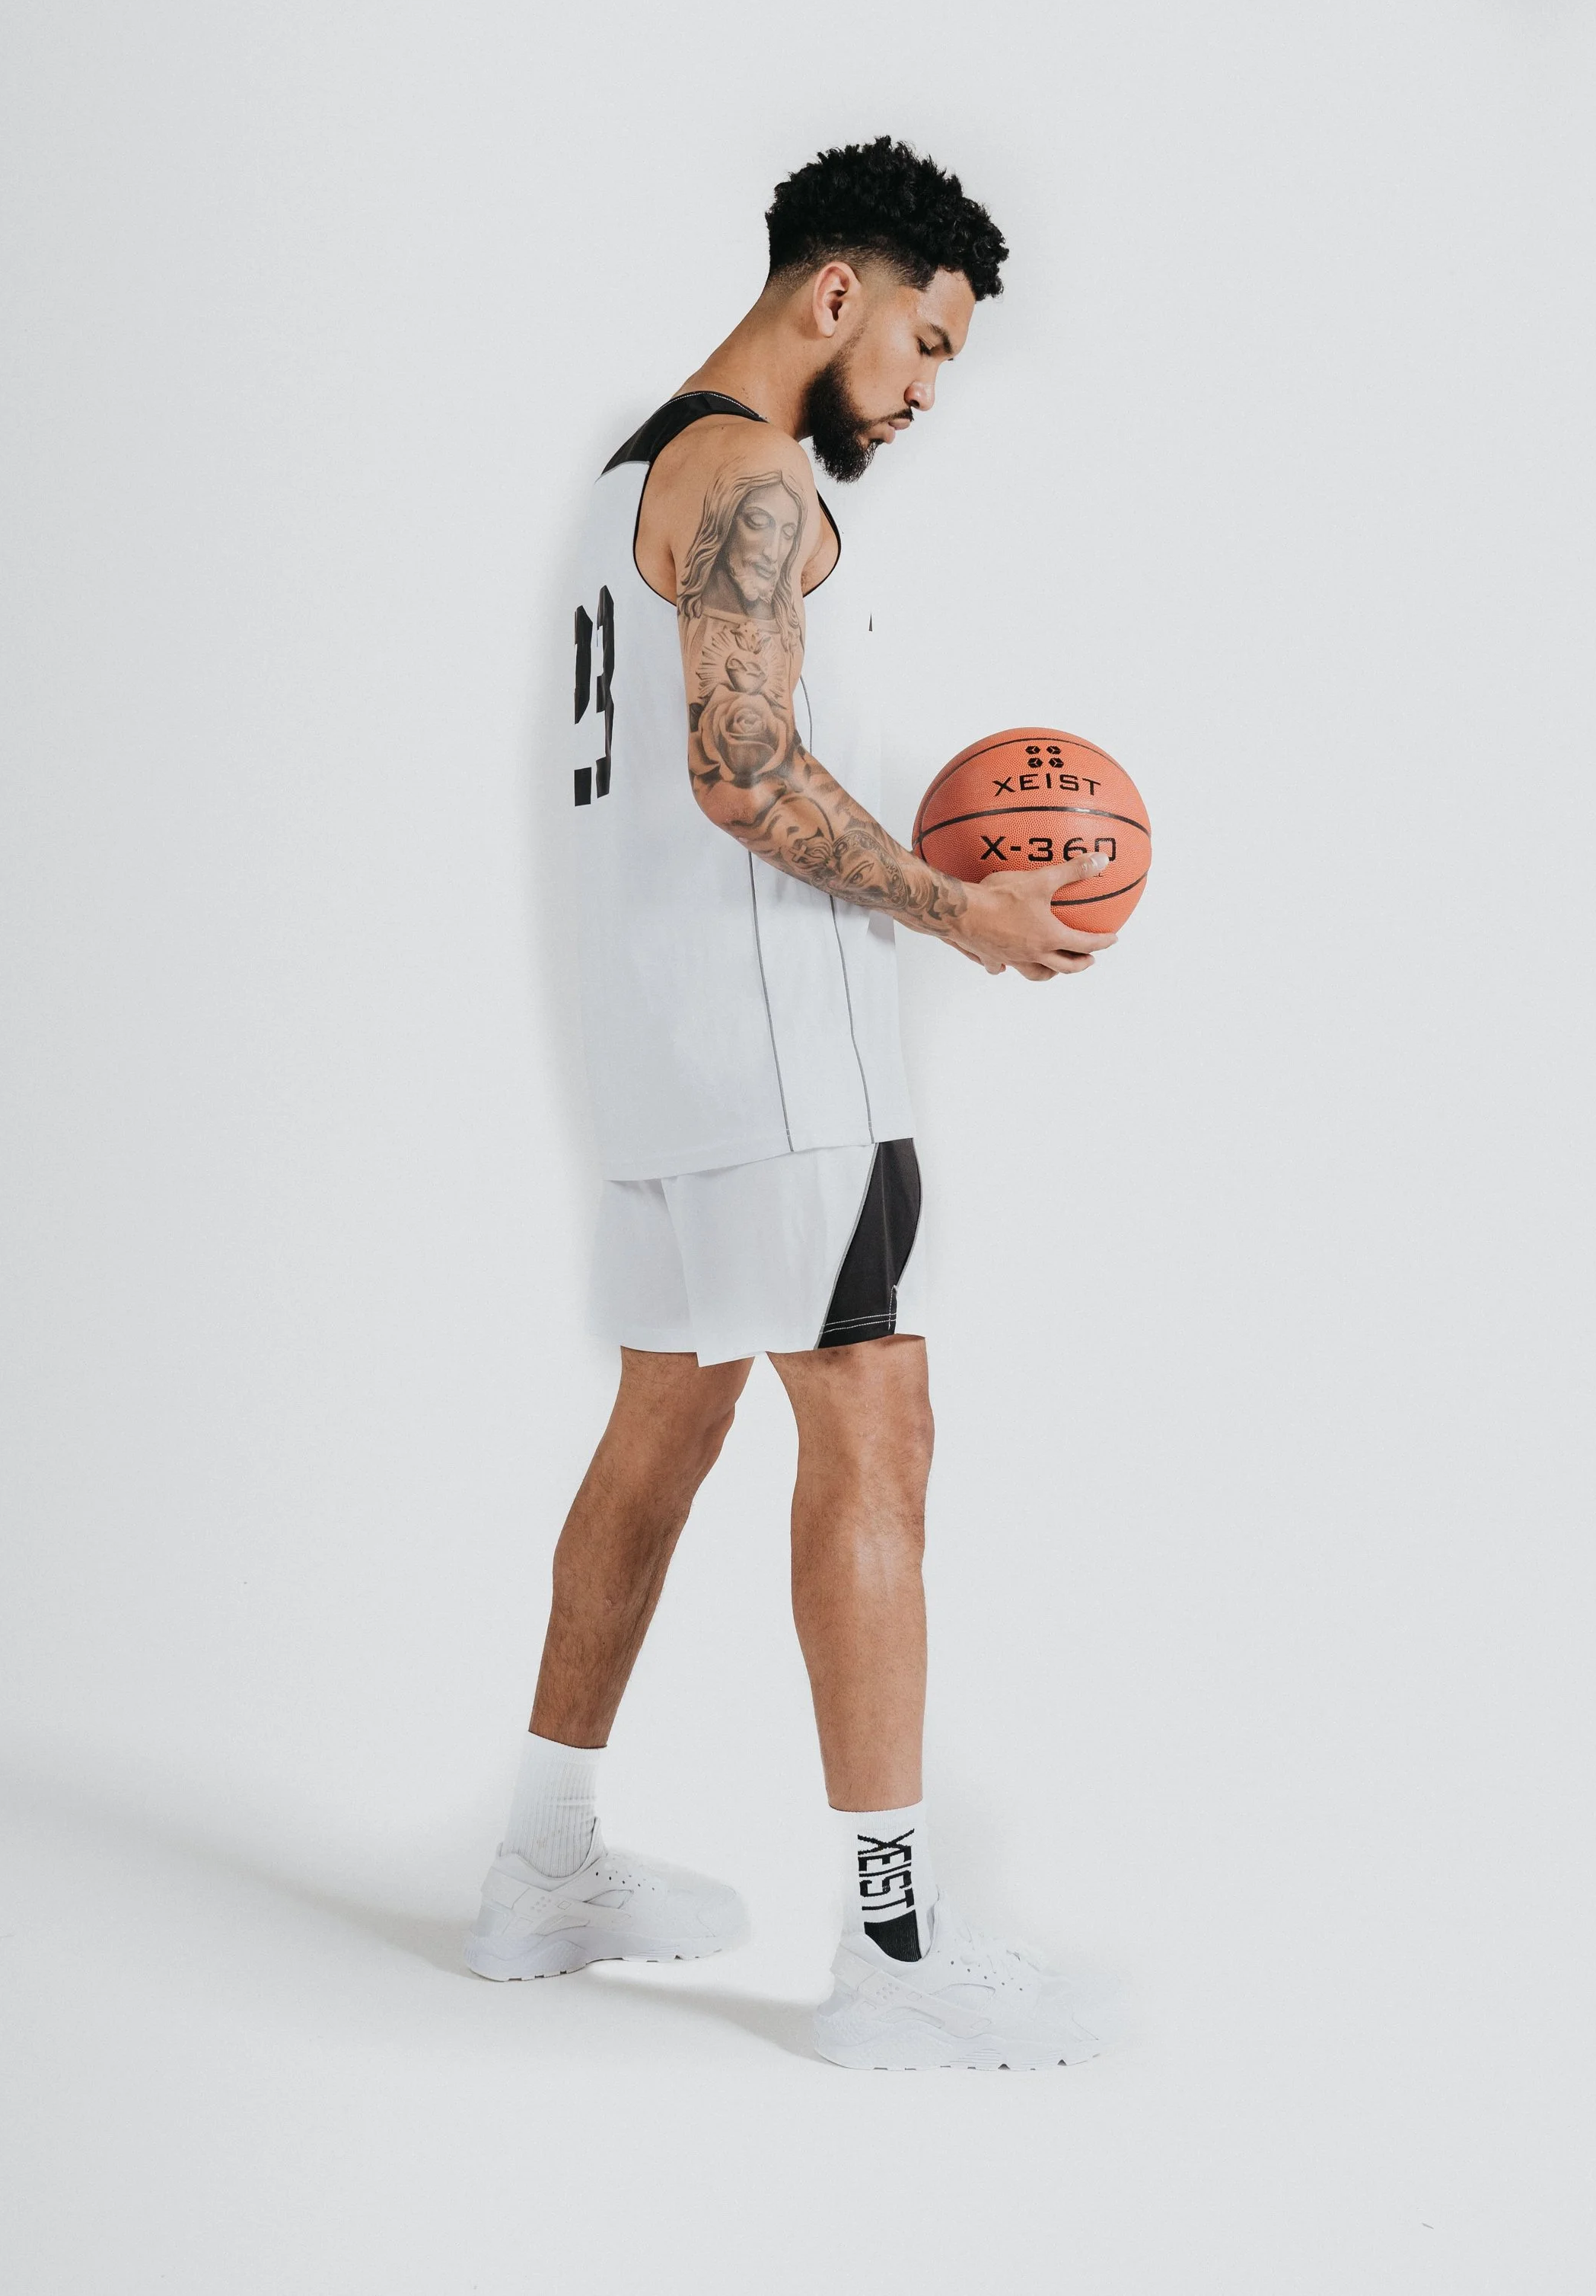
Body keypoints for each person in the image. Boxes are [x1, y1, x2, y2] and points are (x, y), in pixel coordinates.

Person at [466, 139, 1112, 2071]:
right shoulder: (752, 474)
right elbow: (741, 773)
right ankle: (892, 1955)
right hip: (776, 1060)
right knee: (875, 1433)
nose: (924, 390)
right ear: (835, 292)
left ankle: (540, 1867)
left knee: (661, 1429)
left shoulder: (626, 471)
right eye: (922, 342)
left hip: (648, 1054)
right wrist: (959, 911)